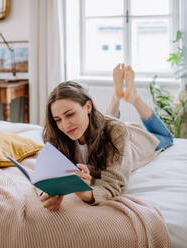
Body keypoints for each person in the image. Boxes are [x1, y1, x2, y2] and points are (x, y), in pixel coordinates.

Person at [40, 64, 173, 211]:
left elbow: (112, 184)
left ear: (88, 107)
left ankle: (134, 98)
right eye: (58, 119)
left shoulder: (117, 132)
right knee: (107, 123)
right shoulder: (55, 135)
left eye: (70, 114)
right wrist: (47, 192)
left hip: (133, 142)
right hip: (103, 126)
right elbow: (47, 175)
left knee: (166, 137)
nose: (65, 126)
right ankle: (116, 98)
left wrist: (86, 193)